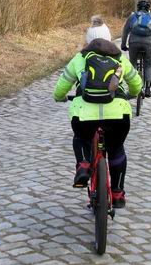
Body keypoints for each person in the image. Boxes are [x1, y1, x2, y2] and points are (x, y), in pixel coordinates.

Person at [53, 38, 143, 208]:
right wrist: (132, 93)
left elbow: (61, 87)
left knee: (80, 137)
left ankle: (84, 165)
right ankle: (117, 193)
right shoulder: (121, 59)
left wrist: (60, 98)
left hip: (84, 116)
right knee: (116, 149)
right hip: (118, 115)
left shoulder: (80, 58)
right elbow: (137, 84)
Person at [120, 0, 151, 98]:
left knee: (133, 64)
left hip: (134, 42)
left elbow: (125, 31)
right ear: (148, 9)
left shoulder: (133, 16)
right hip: (148, 44)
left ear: (138, 7)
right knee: (148, 65)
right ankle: (147, 88)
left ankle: (133, 86)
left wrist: (123, 45)